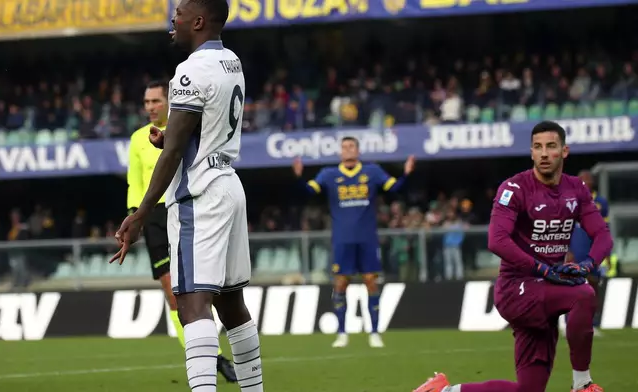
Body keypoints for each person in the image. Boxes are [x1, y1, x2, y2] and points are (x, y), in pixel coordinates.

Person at [112, 1, 263, 391]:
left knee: (193, 306)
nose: (172, 23)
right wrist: (175, 140)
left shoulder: (189, 70)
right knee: (232, 304)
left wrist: (142, 213)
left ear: (197, 21)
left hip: (199, 194)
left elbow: (176, 151)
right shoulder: (232, 61)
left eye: (177, 15)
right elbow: (199, 129)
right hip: (229, 182)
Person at [414, 121, 612, 392]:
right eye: (538, 147)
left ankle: (443, 390)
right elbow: (496, 241)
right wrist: (544, 270)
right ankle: (582, 384)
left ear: (564, 151)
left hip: (548, 289)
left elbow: (603, 235)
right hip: (517, 290)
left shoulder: (576, 189)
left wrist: (588, 264)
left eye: (551, 147)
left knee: (527, 391)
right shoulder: (514, 188)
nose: (544, 153)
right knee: (584, 294)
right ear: (531, 152)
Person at [126, 80, 236, 382]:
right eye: (147, 102)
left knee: (199, 291)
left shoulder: (183, 127)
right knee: (173, 297)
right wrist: (133, 217)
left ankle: (209, 347)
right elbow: (134, 181)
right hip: (152, 218)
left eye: (156, 101)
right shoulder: (137, 139)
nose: (150, 107)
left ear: (168, 102)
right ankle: (209, 357)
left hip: (184, 209)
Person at [293, 137, 415, 348]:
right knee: (340, 284)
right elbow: (309, 191)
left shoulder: (372, 171)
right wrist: (297, 178)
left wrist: (407, 173)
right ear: (340, 152)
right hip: (342, 240)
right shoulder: (329, 174)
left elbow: (395, 188)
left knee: (371, 282)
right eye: (344, 147)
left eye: (351, 146)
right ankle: (342, 333)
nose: (347, 150)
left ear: (358, 151)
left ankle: (375, 332)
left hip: (367, 238)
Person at [564, 169, 612, 337]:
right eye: (581, 179)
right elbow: (564, 227)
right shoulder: (570, 200)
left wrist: (605, 251)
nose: (585, 182)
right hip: (575, 249)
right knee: (571, 287)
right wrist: (567, 249)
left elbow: (604, 229)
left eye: (587, 179)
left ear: (592, 182)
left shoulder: (600, 203)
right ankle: (568, 322)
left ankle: (591, 324)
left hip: (593, 251)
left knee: (593, 288)